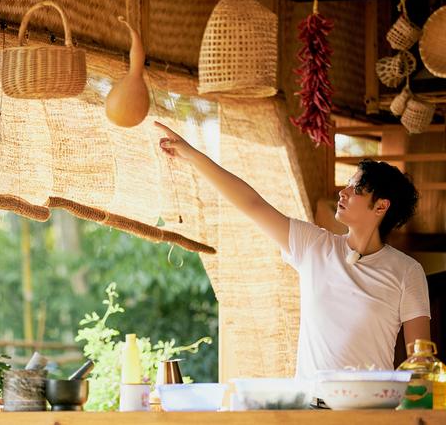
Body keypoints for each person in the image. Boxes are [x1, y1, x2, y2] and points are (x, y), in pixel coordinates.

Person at [155, 121, 431, 380]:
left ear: (381, 206)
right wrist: (192, 155)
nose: (343, 192)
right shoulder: (314, 246)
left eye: (356, 187)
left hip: (371, 412)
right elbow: (252, 204)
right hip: (308, 409)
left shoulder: (407, 272)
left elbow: (421, 363)